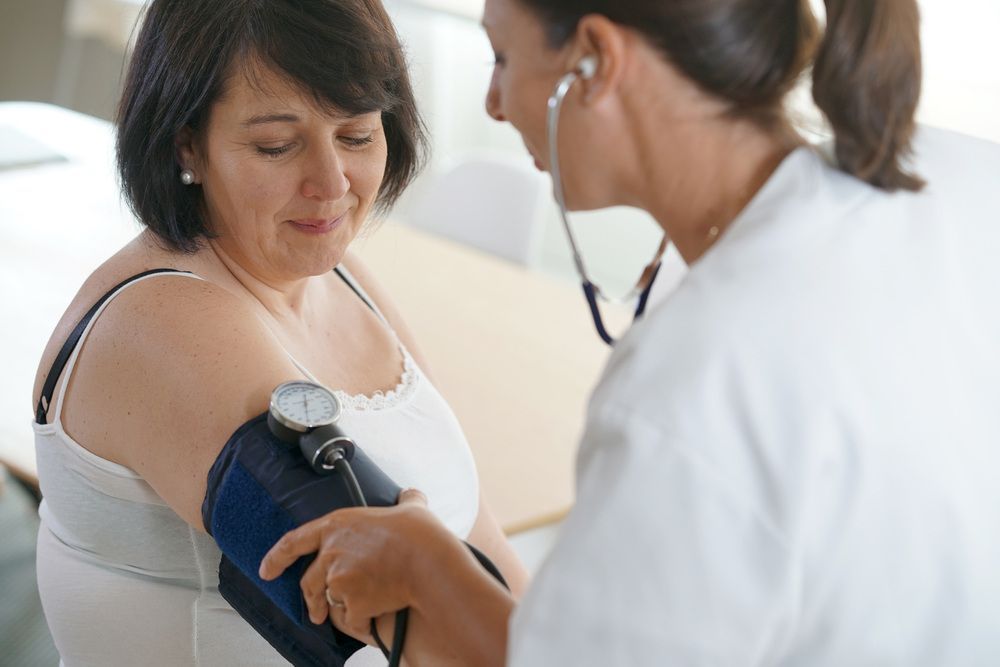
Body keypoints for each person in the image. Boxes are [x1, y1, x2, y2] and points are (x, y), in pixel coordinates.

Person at [259, 0, 1000, 664]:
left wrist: (433, 572)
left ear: (595, 60)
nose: (491, 102)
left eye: (503, 57)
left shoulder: (695, 379)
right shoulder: (960, 179)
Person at [31, 0, 527, 665]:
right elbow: (401, 615)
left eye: (356, 135)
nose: (331, 184)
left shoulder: (337, 276)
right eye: (276, 144)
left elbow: (486, 550)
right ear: (186, 144)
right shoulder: (163, 326)